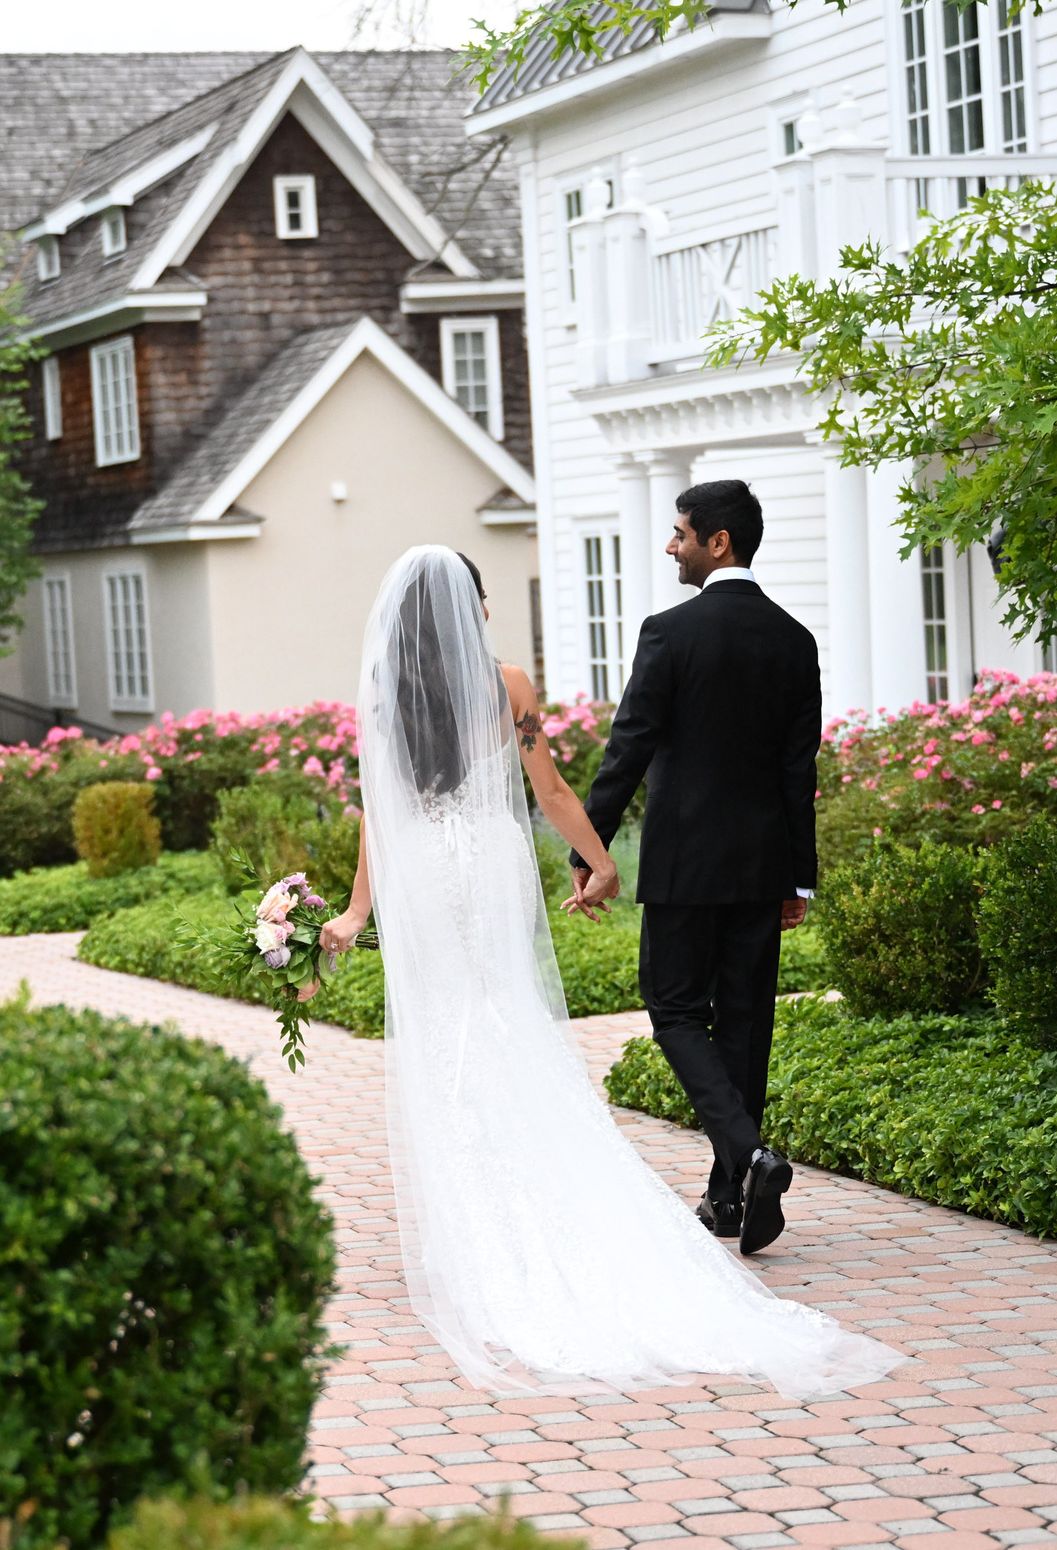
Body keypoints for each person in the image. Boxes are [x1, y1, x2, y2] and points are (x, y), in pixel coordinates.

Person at [315, 543, 901, 1398]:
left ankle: (477, 1226)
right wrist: (599, 861)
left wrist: (359, 911)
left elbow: (377, 809)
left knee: (447, 1025)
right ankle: (551, 1191)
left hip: (424, 871)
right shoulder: (506, 682)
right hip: (486, 859)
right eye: (477, 596)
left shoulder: (381, 695)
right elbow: (549, 790)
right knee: (504, 1014)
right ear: (468, 604)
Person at [570, 480, 814, 1257]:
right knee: (744, 1026)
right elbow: (794, 768)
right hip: (761, 864)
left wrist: (588, 847)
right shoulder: (794, 638)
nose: (671, 546)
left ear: (718, 542)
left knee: (675, 1009)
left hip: (683, 863)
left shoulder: (668, 632)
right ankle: (727, 1195)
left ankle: (746, 1160)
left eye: (679, 533)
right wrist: (798, 876)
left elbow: (627, 749)